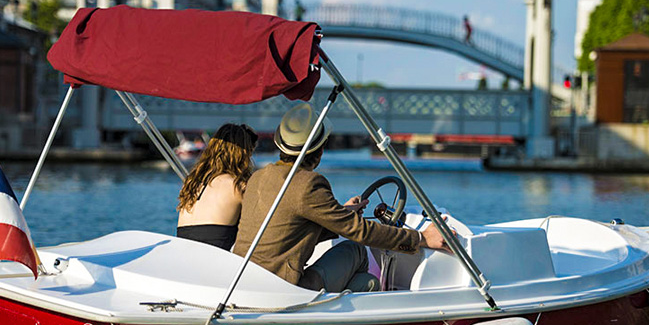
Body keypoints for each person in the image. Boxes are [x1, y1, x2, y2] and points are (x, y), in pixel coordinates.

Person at [233, 103, 449, 293]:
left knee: (367, 283)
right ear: (319, 151)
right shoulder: (308, 183)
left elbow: (288, 229)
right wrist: (420, 238)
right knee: (355, 248)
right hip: (284, 288)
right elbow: (361, 231)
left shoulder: (258, 177)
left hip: (246, 281)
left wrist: (342, 213)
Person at [176, 123, 258, 251]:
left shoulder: (191, 183)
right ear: (243, 153)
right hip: (214, 262)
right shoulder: (238, 185)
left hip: (182, 255)